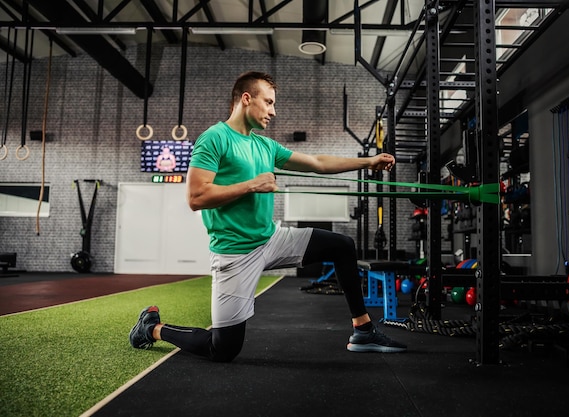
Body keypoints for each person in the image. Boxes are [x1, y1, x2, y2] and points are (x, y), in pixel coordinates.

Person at [129, 71, 407, 362]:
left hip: (272, 239)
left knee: (342, 246)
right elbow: (196, 198)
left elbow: (317, 163)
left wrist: (370, 161)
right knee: (223, 349)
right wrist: (252, 185)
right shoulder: (214, 139)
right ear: (247, 99)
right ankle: (152, 328)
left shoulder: (265, 146)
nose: (273, 111)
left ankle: (362, 330)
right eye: (269, 102)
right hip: (235, 254)